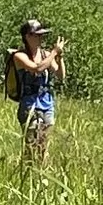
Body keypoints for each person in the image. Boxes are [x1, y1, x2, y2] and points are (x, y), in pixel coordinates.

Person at [4, 16, 64, 168]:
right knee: (31, 145)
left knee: (44, 145)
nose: (41, 38)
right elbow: (37, 68)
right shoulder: (19, 56)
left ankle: (41, 173)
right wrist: (54, 53)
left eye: (42, 35)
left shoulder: (46, 55)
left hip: (47, 105)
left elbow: (60, 76)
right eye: (37, 35)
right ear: (27, 36)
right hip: (29, 107)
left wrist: (59, 56)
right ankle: (27, 171)